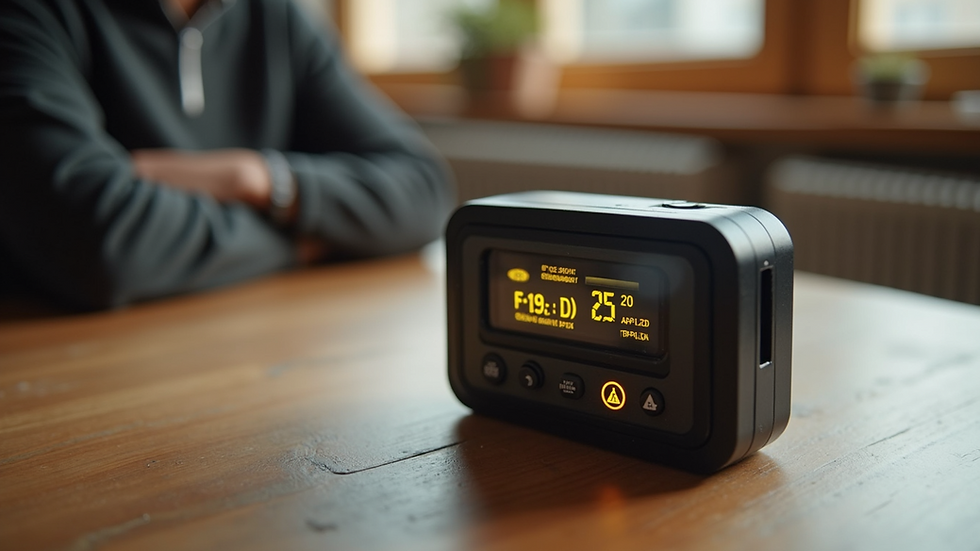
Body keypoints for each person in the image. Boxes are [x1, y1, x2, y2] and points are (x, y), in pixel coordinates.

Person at [0, 0, 455, 310]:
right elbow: (100, 246)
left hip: (253, 354)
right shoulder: (31, 14)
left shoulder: (274, 15)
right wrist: (302, 239)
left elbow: (424, 190)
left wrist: (255, 178)